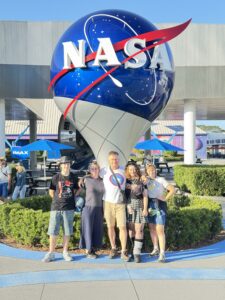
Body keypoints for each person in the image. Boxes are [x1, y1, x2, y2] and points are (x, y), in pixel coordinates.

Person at [42, 156, 78, 263]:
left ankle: (65, 252)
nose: (66, 165)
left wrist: (69, 199)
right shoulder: (56, 177)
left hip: (69, 208)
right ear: (61, 165)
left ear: (70, 165)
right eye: (64, 164)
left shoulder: (73, 177)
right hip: (56, 207)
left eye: (68, 163)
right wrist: (58, 200)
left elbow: (76, 190)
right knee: (53, 231)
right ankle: (51, 252)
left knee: (67, 231)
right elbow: (51, 191)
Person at [100, 151, 130, 261]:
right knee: (110, 226)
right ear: (109, 160)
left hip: (120, 203)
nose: (114, 161)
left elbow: (135, 175)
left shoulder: (124, 170)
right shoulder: (104, 170)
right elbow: (92, 173)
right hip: (108, 202)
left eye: (116, 159)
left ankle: (123, 251)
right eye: (112, 159)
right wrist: (82, 178)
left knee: (122, 227)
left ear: (119, 159)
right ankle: (113, 248)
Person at [145, 164, 175, 263]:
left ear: (156, 171)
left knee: (160, 230)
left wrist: (165, 198)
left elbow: (172, 189)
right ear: (147, 172)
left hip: (159, 205)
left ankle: (162, 253)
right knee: (152, 228)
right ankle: (155, 249)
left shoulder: (161, 179)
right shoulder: (146, 180)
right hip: (150, 205)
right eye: (150, 171)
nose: (152, 172)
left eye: (153, 170)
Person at [79, 161, 105, 259]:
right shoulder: (86, 179)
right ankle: (88, 250)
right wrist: (82, 178)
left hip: (99, 207)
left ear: (99, 169)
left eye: (96, 168)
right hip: (88, 207)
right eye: (92, 169)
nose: (94, 170)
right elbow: (79, 191)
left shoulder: (102, 180)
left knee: (96, 229)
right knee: (87, 228)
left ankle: (93, 248)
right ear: (89, 170)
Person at [125, 162, 148, 263]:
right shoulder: (125, 180)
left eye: (134, 169)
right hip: (128, 207)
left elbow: (145, 196)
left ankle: (137, 253)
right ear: (127, 171)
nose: (132, 171)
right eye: (130, 169)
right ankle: (132, 250)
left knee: (139, 230)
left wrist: (145, 209)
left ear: (137, 169)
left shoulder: (142, 180)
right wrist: (127, 205)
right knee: (131, 230)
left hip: (139, 206)